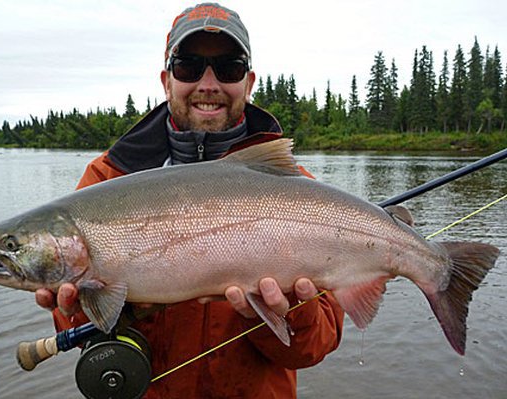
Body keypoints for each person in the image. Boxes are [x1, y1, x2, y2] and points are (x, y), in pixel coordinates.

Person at [36, 3, 344, 398]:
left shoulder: (294, 191)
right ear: (167, 80)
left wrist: (285, 311)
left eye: (228, 67)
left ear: (248, 83)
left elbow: (315, 347)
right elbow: (83, 337)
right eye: (189, 66)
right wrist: (75, 309)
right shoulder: (106, 180)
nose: (208, 83)